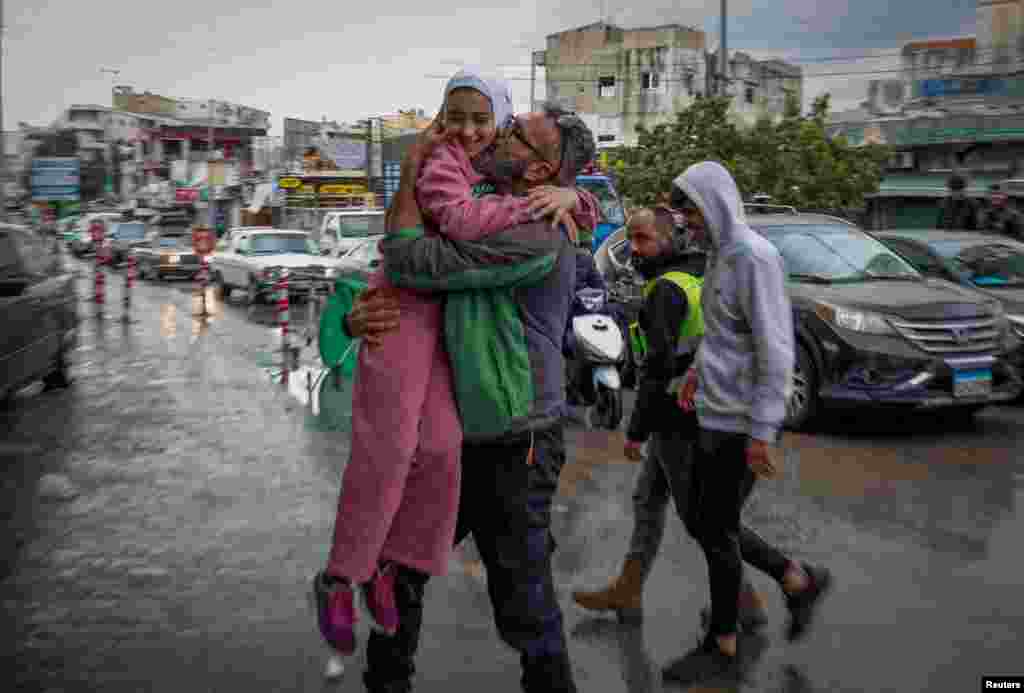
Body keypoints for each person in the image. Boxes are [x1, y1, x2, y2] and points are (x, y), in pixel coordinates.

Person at [314, 69, 597, 657]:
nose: (497, 137)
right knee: (405, 520)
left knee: (525, 601)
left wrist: (576, 197)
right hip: (465, 409)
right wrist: (351, 317)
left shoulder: (541, 227)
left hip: (518, 437)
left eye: (513, 133)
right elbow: (403, 268)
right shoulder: (486, 187)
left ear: (542, 170)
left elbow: (413, 260)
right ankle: (364, 613)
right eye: (507, 126)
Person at [671, 162, 832, 685]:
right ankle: (795, 578)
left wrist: (764, 428)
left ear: (714, 204)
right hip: (715, 411)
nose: (685, 221)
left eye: (690, 210)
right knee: (705, 520)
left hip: (743, 420)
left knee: (714, 530)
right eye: (682, 211)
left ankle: (723, 641)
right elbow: (722, 334)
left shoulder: (755, 258)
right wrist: (697, 372)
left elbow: (777, 347)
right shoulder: (720, 257)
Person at [571, 206, 768, 631]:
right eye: (632, 241)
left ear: (668, 238)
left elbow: (657, 369)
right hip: (699, 413)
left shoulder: (666, 291)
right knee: (649, 503)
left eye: (643, 240)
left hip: (676, 420)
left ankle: (774, 585)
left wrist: (635, 431)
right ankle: (628, 588)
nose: (635, 250)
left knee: (705, 523)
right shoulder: (701, 273)